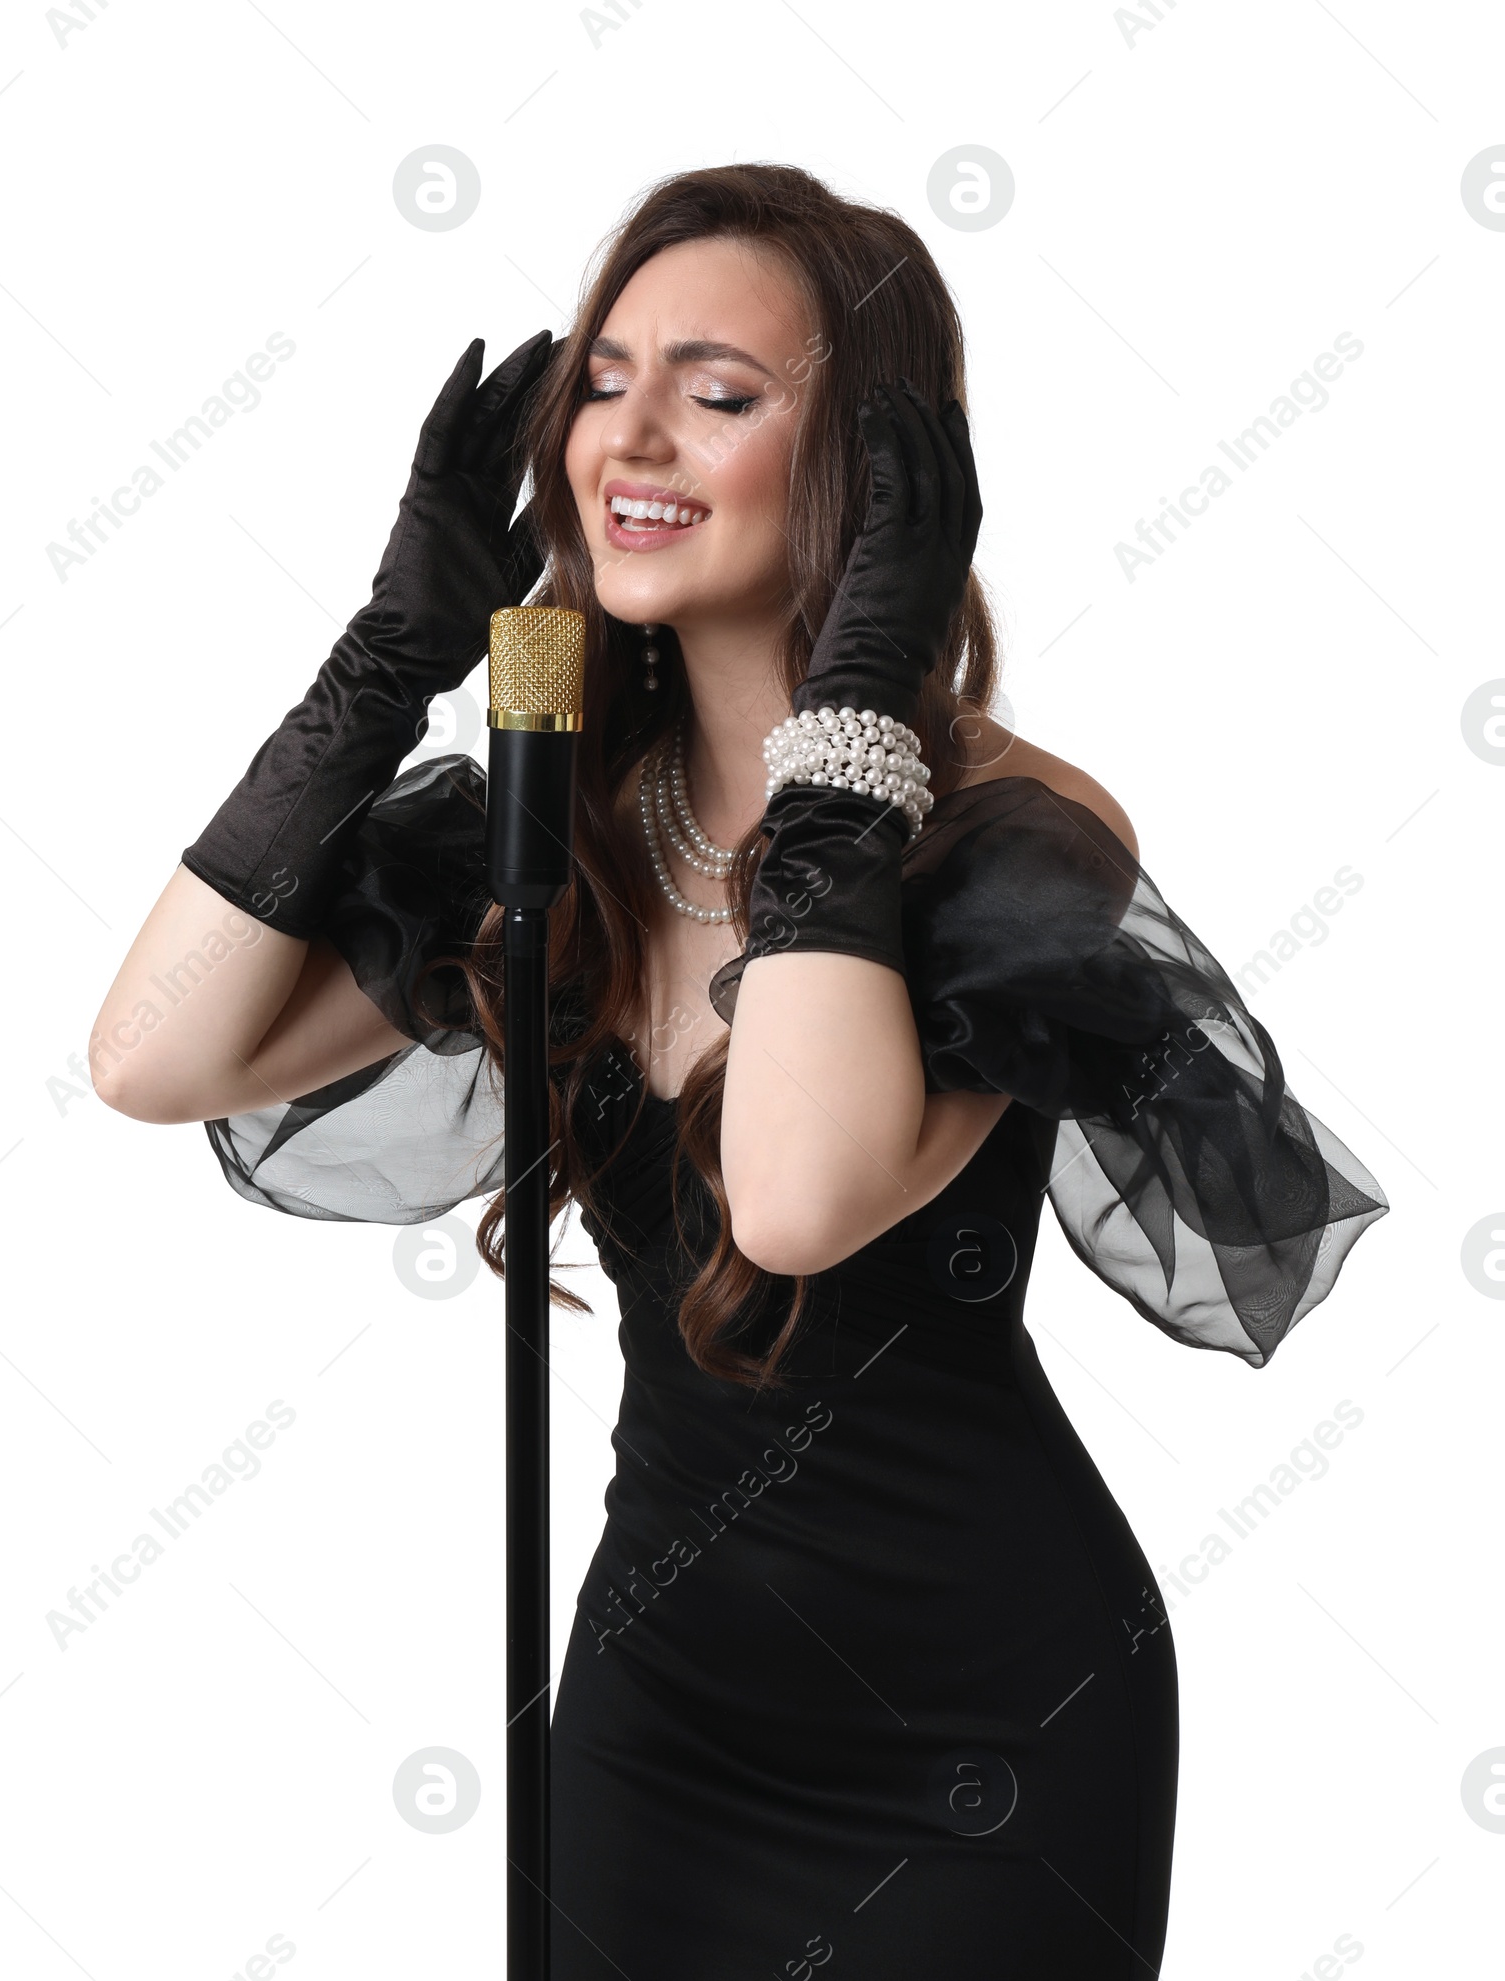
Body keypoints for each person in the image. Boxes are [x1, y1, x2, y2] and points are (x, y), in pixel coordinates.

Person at [92, 163, 1389, 1977]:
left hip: (984, 1731)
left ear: (869, 469)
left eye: (718, 395)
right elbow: (156, 1056)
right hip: (657, 1699)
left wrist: (857, 692)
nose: (631, 436)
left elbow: (788, 1198)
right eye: (603, 380)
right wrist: (390, 658)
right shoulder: (557, 827)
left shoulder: (1006, 838)